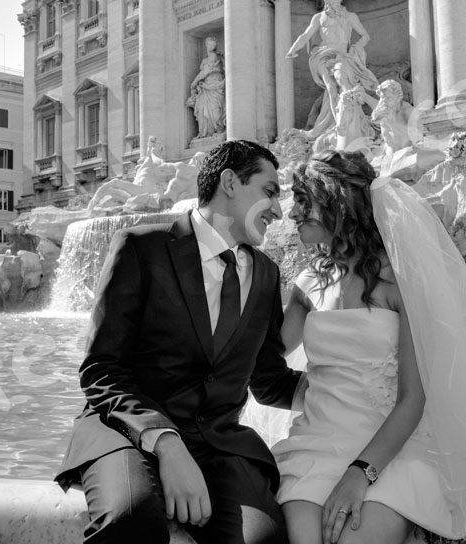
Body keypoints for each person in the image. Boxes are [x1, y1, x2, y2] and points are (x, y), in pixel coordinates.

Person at [56, 140, 303, 544]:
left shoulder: (265, 274)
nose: (278, 210)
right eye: (270, 191)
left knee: (263, 539)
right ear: (229, 183)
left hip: (218, 445)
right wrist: (167, 445)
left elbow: (268, 378)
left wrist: (342, 384)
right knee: (131, 521)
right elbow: (101, 369)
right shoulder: (140, 247)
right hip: (127, 431)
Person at [271, 151, 466, 544]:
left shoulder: (401, 283)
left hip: (393, 453)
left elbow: (414, 399)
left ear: (337, 203)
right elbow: (261, 356)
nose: (292, 213)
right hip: (316, 445)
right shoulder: (307, 283)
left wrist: (360, 473)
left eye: (304, 200)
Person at [287, 0, 379, 140]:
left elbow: (365, 36)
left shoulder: (350, 16)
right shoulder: (319, 17)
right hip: (323, 55)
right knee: (330, 88)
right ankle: (340, 126)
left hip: (343, 55)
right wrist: (293, 49)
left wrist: (355, 48)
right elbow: (305, 35)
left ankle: (351, 122)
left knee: (344, 83)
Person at [187, 36, 227, 139]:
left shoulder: (214, 56)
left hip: (215, 83)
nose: (211, 46)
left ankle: (217, 130)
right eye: (209, 44)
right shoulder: (205, 58)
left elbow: (206, 71)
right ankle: (206, 133)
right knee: (203, 109)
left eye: (213, 44)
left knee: (215, 110)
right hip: (206, 86)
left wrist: (194, 82)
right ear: (206, 44)